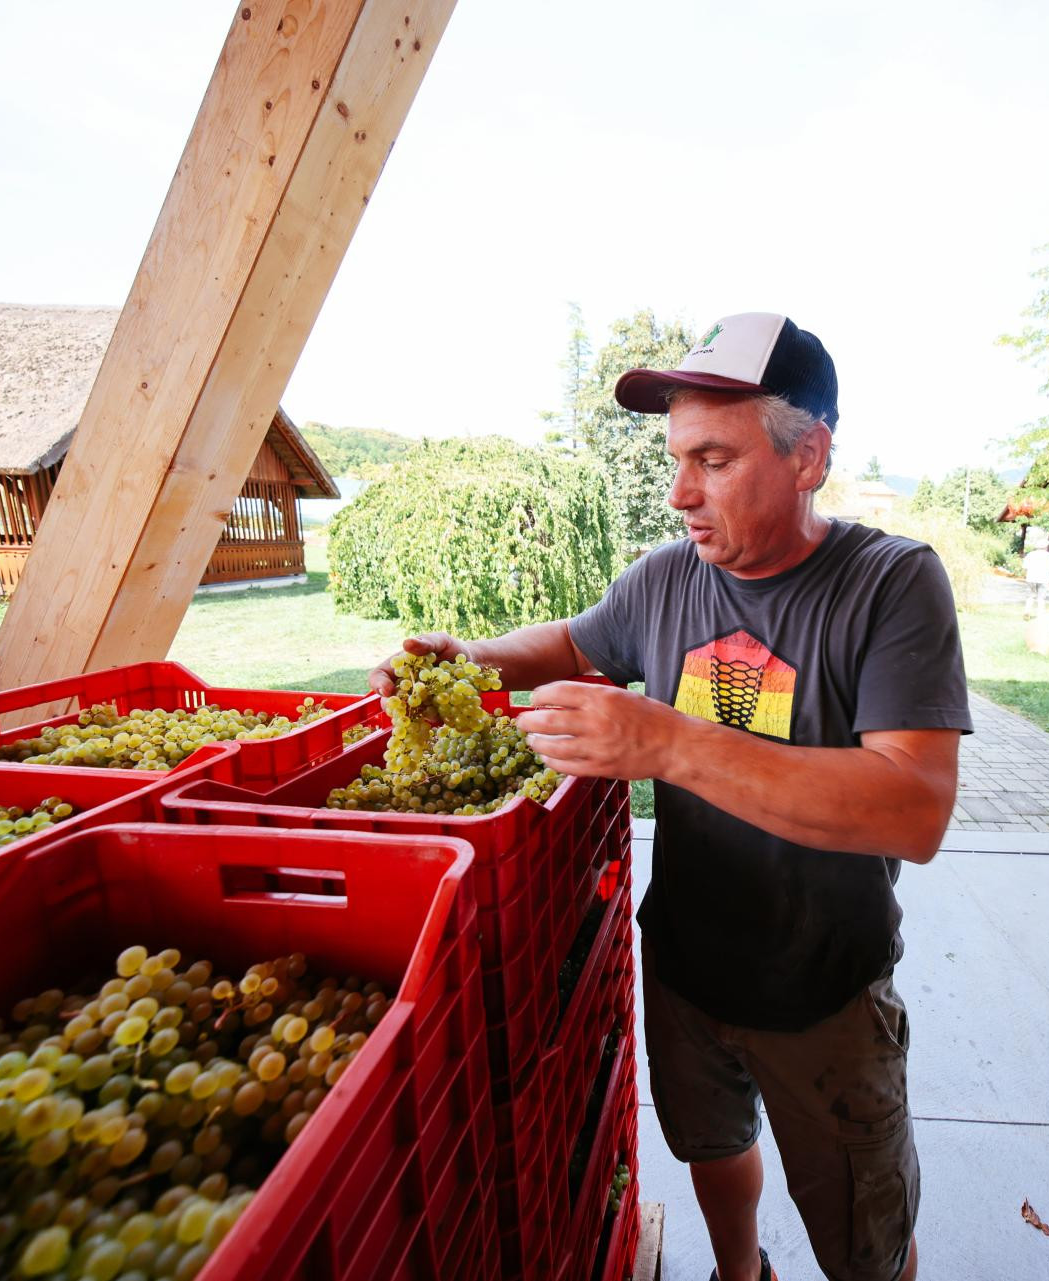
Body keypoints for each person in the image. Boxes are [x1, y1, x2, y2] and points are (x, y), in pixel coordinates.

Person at [369, 312, 971, 1281]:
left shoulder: (889, 584)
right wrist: (473, 656)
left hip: (823, 988)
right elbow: (572, 644)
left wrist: (669, 743)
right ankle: (741, 1275)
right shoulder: (665, 578)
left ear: (809, 457)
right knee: (713, 1148)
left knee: (865, 1235)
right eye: (676, 460)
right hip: (688, 966)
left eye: (714, 461)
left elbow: (913, 807)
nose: (680, 492)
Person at [1022, 544, 1049, 613]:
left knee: (1030, 596)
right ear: (1045, 547)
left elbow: (1025, 567)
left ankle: (1027, 612)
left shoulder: (1030, 554)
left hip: (1031, 578)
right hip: (1043, 579)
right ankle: (1040, 613)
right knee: (1041, 598)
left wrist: (1026, 577)